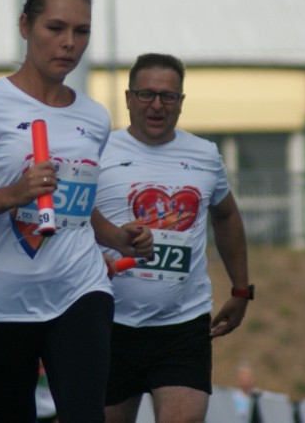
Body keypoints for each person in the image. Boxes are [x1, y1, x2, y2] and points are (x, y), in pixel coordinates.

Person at [0, 0, 153, 422]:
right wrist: (14, 193)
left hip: (79, 291)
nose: (69, 42)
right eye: (56, 28)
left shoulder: (92, 116)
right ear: (24, 26)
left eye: (82, 31)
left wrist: (117, 237)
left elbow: (76, 206)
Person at [93, 52, 251, 423]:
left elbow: (226, 215)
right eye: (146, 95)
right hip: (110, 322)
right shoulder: (99, 152)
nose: (157, 106)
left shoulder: (204, 154)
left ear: (181, 103)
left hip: (182, 326)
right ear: (129, 98)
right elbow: (76, 218)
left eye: (168, 96)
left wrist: (241, 290)